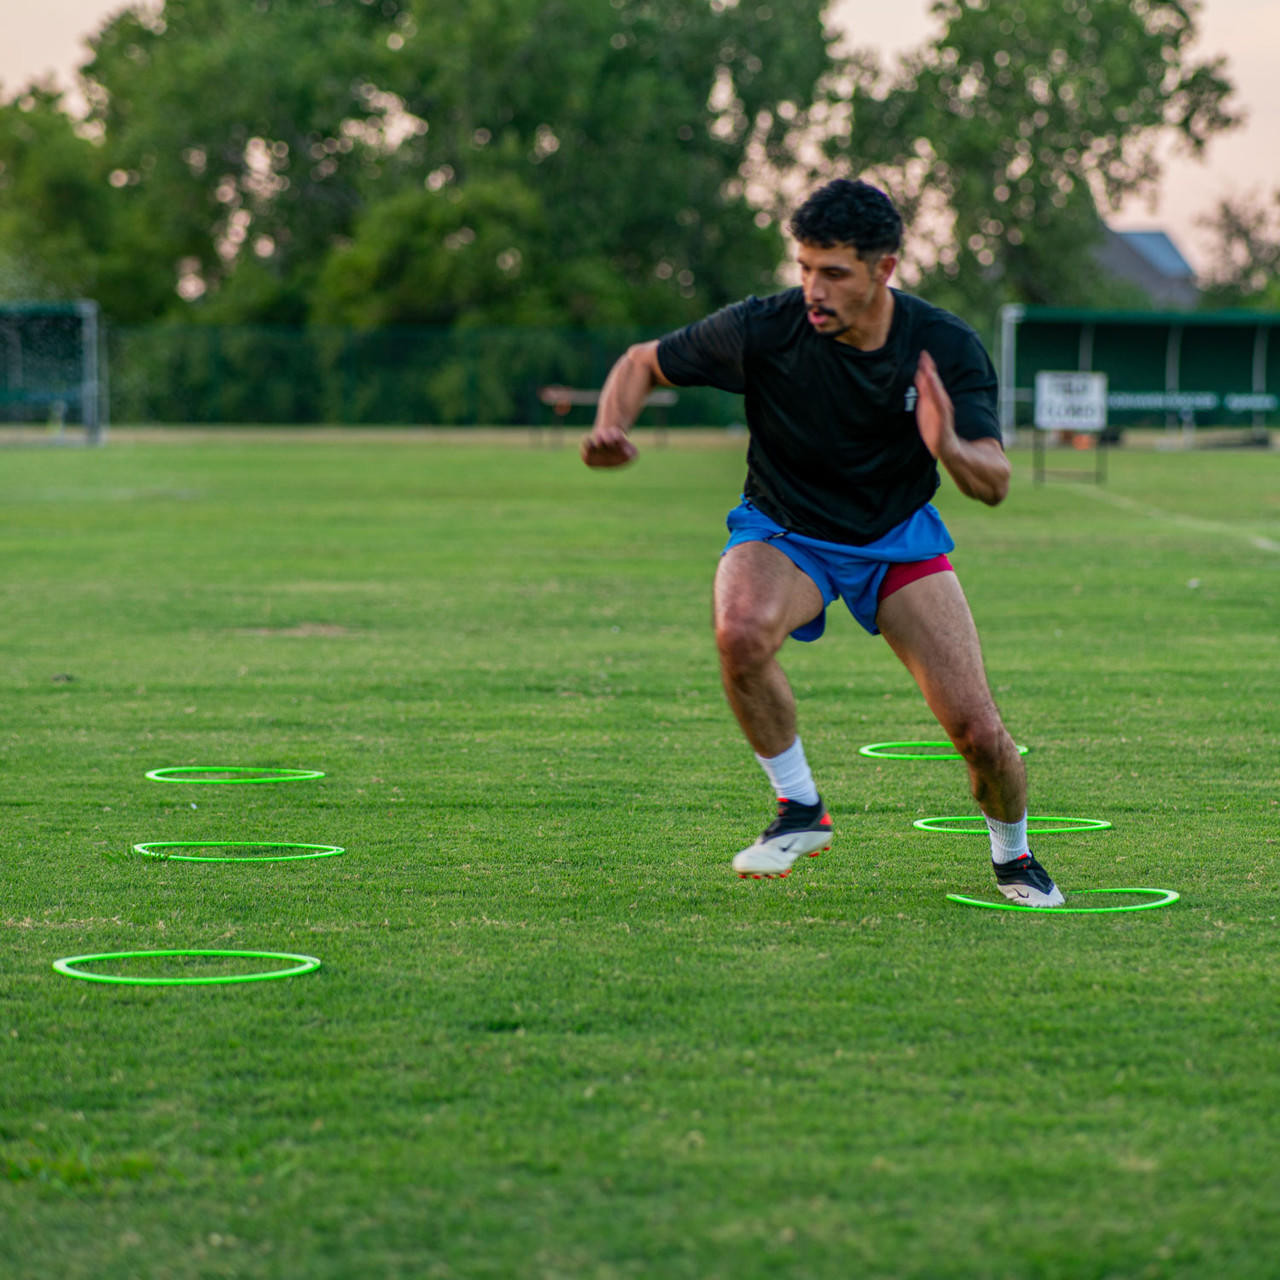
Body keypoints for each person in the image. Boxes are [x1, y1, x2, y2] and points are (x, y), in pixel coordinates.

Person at [580, 178, 1063, 907]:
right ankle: (799, 807)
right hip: (785, 529)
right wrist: (611, 424)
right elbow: (642, 360)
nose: (814, 288)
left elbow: (993, 481)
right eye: (804, 267)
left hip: (895, 537)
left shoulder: (942, 346)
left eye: (833, 272)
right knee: (739, 632)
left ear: (885, 268)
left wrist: (950, 447)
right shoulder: (765, 327)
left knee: (977, 732)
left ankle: (1014, 855)